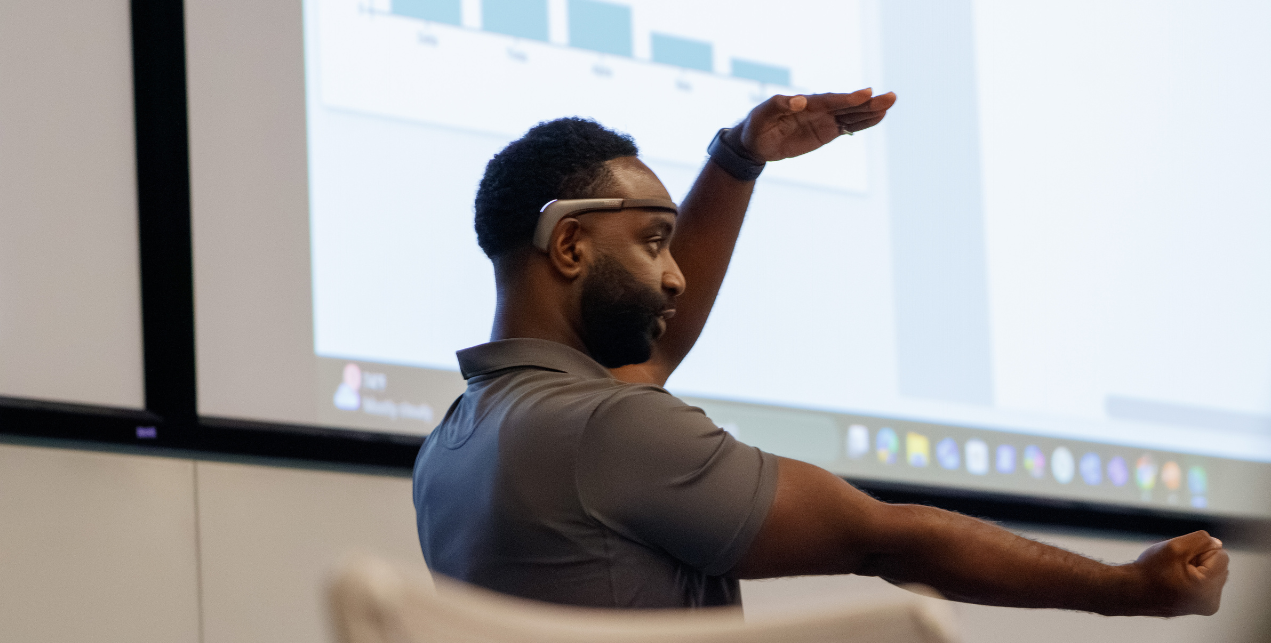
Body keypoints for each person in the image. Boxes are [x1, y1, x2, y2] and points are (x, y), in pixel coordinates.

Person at [412, 89, 1229, 614]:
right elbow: (886, 538)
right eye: (655, 242)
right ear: (569, 247)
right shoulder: (607, 431)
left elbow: (649, 353)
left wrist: (736, 161)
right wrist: (1130, 588)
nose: (675, 278)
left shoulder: (458, 442)